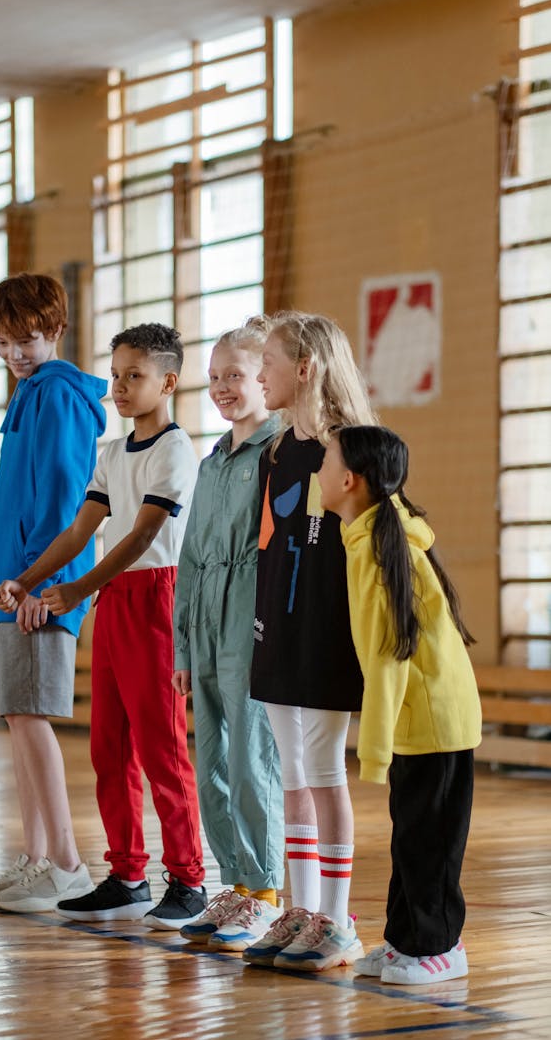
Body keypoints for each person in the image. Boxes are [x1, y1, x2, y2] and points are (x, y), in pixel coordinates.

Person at [0, 323, 207, 930]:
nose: (118, 386)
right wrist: (29, 580)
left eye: (133, 376)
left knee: (162, 747)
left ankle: (188, 878)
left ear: (167, 381)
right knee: (107, 745)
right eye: (114, 374)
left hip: (157, 599)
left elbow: (141, 536)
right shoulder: (112, 454)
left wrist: (75, 591)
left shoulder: (175, 450)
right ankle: (128, 873)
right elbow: (80, 531)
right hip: (113, 601)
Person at [317, 425, 481, 984]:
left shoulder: (382, 551)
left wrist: (375, 748)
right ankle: (405, 940)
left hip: (435, 719)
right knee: (412, 834)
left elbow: (390, 654)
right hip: (420, 717)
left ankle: (442, 947)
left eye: (325, 462)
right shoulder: (367, 541)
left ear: (348, 480)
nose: (317, 472)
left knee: (432, 839)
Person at [0, 272, 107, 913]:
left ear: (55, 329)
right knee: (17, 719)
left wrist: (40, 585)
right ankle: (36, 858)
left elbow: (62, 499)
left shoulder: (57, 395)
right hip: (7, 586)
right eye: (3, 343)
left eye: (25, 339)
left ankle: (68, 864)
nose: (14, 354)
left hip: (34, 588)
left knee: (32, 720)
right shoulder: (28, 394)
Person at [243, 310, 376, 973]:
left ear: (304, 368)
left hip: (327, 640)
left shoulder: (350, 449)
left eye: (266, 361)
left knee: (324, 775)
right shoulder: (276, 450)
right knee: (292, 778)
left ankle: (336, 918)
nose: (257, 373)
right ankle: (301, 907)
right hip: (278, 634)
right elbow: (272, 546)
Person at [171, 318, 285, 952]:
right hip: (205, 625)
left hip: (249, 618)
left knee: (251, 759)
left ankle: (267, 891)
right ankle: (236, 884)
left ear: (264, 380)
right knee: (209, 760)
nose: (221, 388)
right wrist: (183, 647)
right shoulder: (212, 461)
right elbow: (189, 562)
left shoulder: (278, 454)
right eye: (213, 378)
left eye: (235, 376)